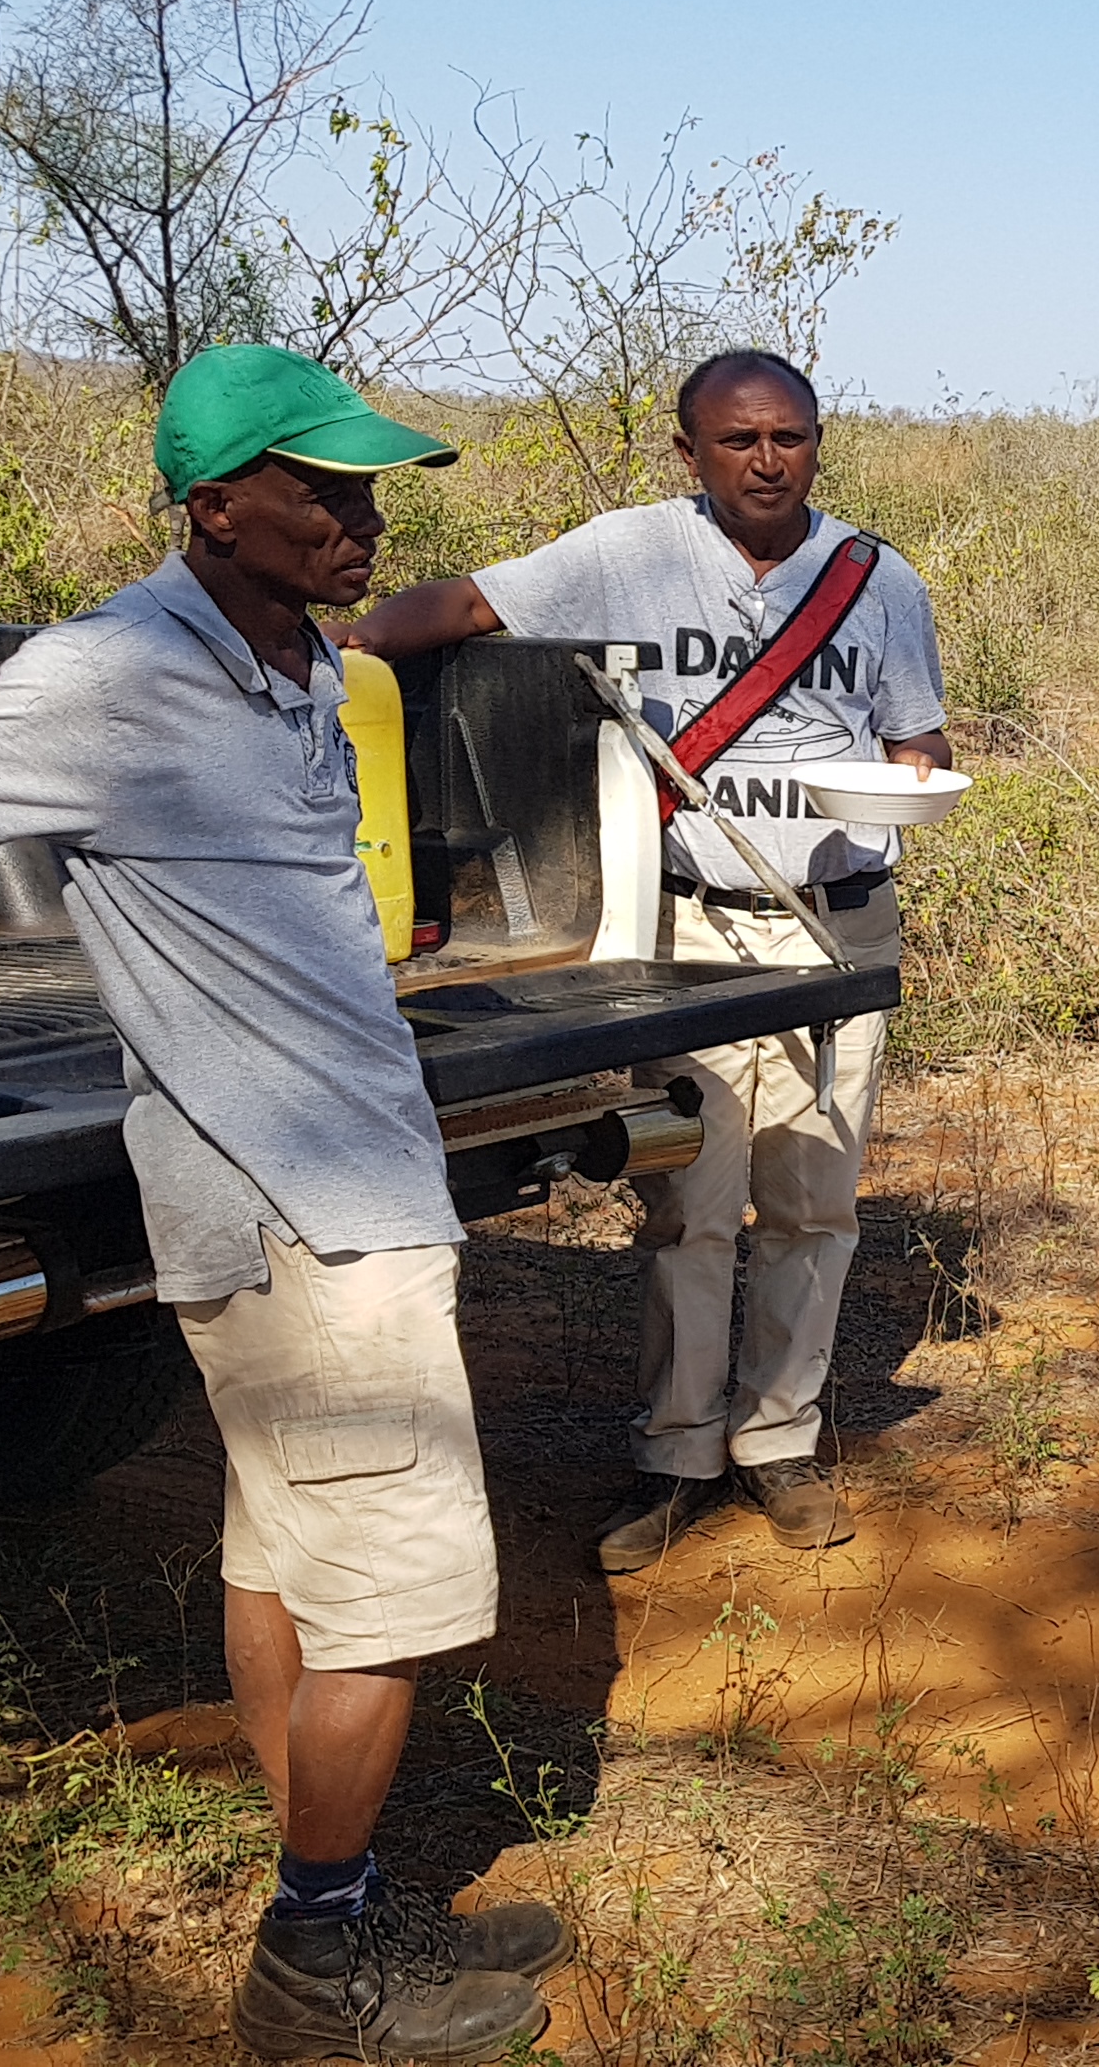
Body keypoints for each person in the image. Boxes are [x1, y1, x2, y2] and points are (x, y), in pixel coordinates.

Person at [0, 344, 571, 2063]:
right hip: (308, 1212)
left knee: (287, 1555)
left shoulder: (294, 656)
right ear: (212, 503)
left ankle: (340, 1907)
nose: (356, 520)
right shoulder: (115, 670)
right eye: (317, 490)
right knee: (396, 1589)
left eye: (365, 490)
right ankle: (314, 1972)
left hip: (298, 1193)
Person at [342, 348, 948, 1570]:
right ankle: (674, 1455)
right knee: (691, 1203)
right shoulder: (623, 552)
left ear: (819, 440)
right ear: (690, 454)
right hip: (686, 927)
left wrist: (915, 787)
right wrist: (331, 673)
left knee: (814, 1200)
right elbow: (458, 608)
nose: (767, 461)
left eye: (790, 437)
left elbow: (915, 740)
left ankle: (778, 1444)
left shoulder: (879, 583)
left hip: (837, 920)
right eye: (738, 441)